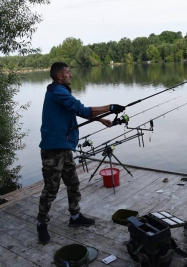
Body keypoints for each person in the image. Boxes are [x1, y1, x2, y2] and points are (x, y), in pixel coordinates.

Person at [36, 62, 125, 244]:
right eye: (68, 72)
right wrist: (110, 107)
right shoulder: (58, 91)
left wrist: (101, 120)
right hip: (53, 150)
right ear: (59, 76)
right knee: (51, 189)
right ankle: (41, 223)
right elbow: (82, 109)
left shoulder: (60, 91)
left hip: (65, 147)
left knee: (73, 183)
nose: (71, 75)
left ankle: (75, 217)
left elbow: (76, 111)